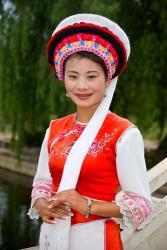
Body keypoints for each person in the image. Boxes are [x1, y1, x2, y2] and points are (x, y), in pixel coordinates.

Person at [28, 14, 152, 250]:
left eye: (92, 76)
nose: (81, 86)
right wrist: (43, 205)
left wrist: (85, 204)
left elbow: (141, 205)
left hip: (97, 239)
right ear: (63, 78)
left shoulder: (123, 133)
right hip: (51, 237)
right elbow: (42, 183)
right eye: (73, 76)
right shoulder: (55, 128)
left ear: (108, 80)